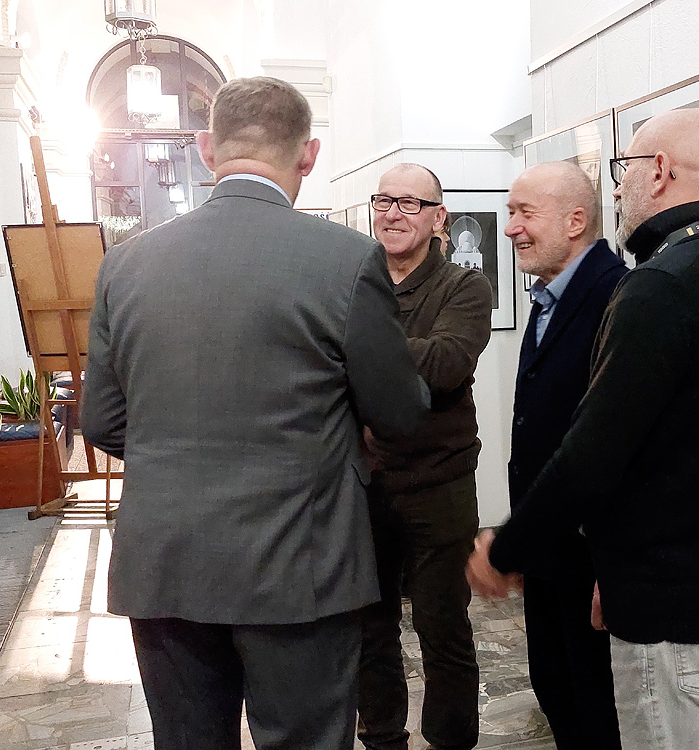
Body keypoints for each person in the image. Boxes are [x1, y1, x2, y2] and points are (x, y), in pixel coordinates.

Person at [81, 77, 429, 750]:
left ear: (208, 149)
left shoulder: (124, 264)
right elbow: (400, 411)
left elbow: (100, 421)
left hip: (166, 561)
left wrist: (179, 452)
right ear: (309, 154)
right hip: (301, 563)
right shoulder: (346, 258)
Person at [468, 108, 699, 750]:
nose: (617, 188)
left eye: (624, 169)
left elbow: (593, 452)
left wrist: (505, 549)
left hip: (671, 606)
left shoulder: (660, 287)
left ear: (660, 171)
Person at [358, 164, 492, 750]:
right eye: (384, 201)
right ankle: (383, 738)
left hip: (438, 489)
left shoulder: (464, 288)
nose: (393, 213)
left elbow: (444, 366)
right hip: (363, 484)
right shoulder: (353, 283)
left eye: (410, 203)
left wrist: (356, 347)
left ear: (439, 218)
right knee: (371, 629)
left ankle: (450, 742)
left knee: (443, 631)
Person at [503, 161, 626, 750]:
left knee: (596, 710)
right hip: (549, 550)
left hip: (588, 556)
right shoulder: (549, 296)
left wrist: (609, 563)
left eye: (525, 213)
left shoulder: (613, 295)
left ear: (576, 220)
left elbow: (619, 444)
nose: (510, 228)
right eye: (509, 213)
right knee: (558, 692)